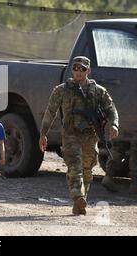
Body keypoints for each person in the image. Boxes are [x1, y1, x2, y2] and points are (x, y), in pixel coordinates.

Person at [39, 56, 119, 216]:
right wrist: (43, 134)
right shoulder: (61, 90)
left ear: (88, 71)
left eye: (82, 69)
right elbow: (50, 112)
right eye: (75, 68)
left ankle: (80, 203)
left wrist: (114, 123)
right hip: (70, 135)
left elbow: (111, 108)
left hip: (90, 136)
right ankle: (77, 195)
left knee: (87, 169)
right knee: (75, 165)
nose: (78, 72)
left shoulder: (98, 91)